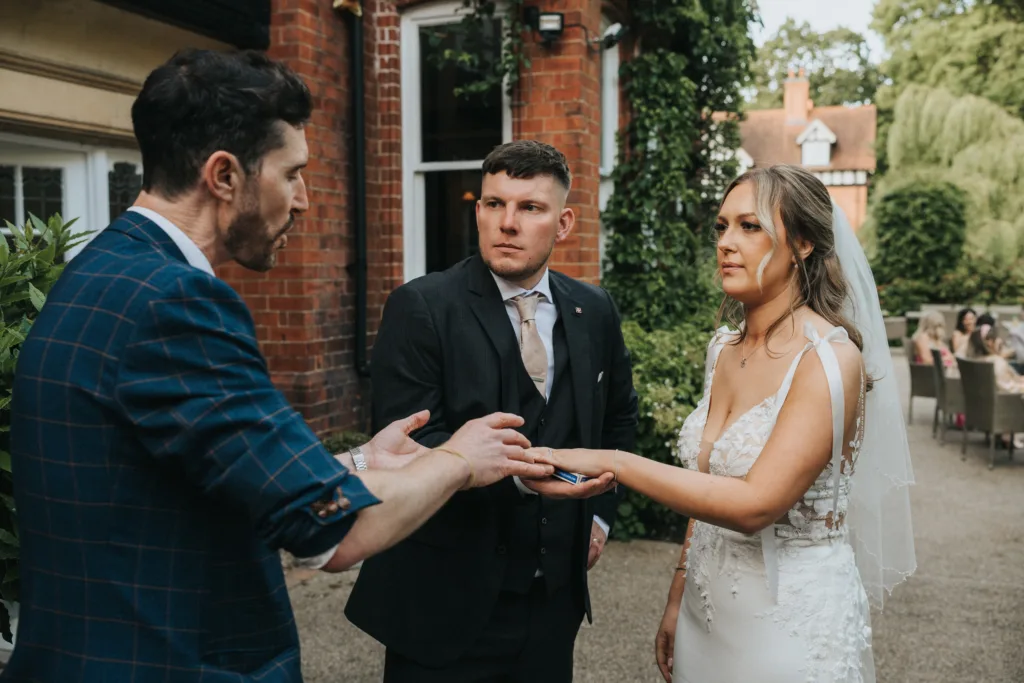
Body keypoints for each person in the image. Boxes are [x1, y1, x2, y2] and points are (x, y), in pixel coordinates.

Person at [3, 50, 552, 682]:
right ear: (225, 175)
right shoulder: (177, 302)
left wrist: (361, 463)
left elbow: (180, 482)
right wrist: (458, 460)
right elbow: (337, 534)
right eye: (292, 174)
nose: (304, 200)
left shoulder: (101, 268)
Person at [529, 165, 916, 683]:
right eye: (721, 227)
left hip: (787, 621)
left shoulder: (828, 359)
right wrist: (678, 594)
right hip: (706, 610)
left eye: (750, 227)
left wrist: (613, 461)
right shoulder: (724, 349)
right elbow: (709, 483)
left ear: (802, 243)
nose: (727, 243)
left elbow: (755, 504)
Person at [345, 140, 639, 682]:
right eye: (494, 204)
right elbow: (406, 445)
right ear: (478, 211)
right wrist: (515, 475)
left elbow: (617, 421)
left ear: (564, 221)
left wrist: (598, 519)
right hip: (445, 597)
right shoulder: (422, 306)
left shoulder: (593, 310)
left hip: (552, 599)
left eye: (530, 208)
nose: (508, 223)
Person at [966, 324, 1024, 393]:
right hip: (1009, 401)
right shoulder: (997, 363)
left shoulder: (973, 361)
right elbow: (1009, 389)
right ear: (990, 342)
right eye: (997, 338)